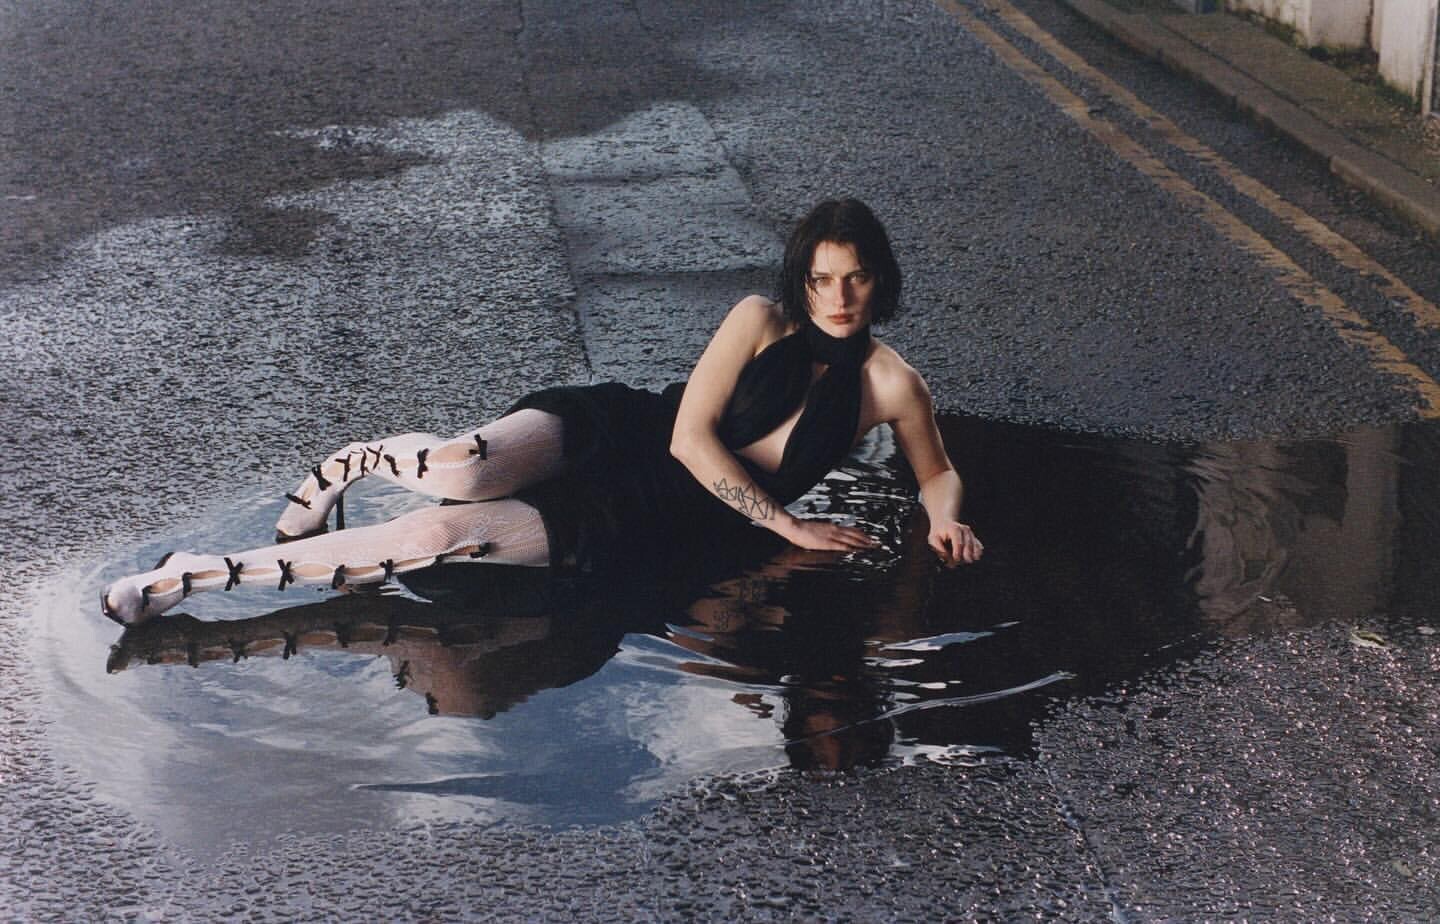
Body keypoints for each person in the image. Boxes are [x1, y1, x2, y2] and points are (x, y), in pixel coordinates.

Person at [101, 198, 983, 625]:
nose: (839, 297)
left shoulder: (893, 384)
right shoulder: (759, 318)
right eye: (822, 278)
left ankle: (189, 576)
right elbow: (688, 436)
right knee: (459, 469)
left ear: (879, 280)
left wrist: (948, 521)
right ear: (803, 280)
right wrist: (789, 527)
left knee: (434, 537)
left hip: (655, 507)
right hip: (630, 430)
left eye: (855, 278)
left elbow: (936, 470)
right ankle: (350, 463)